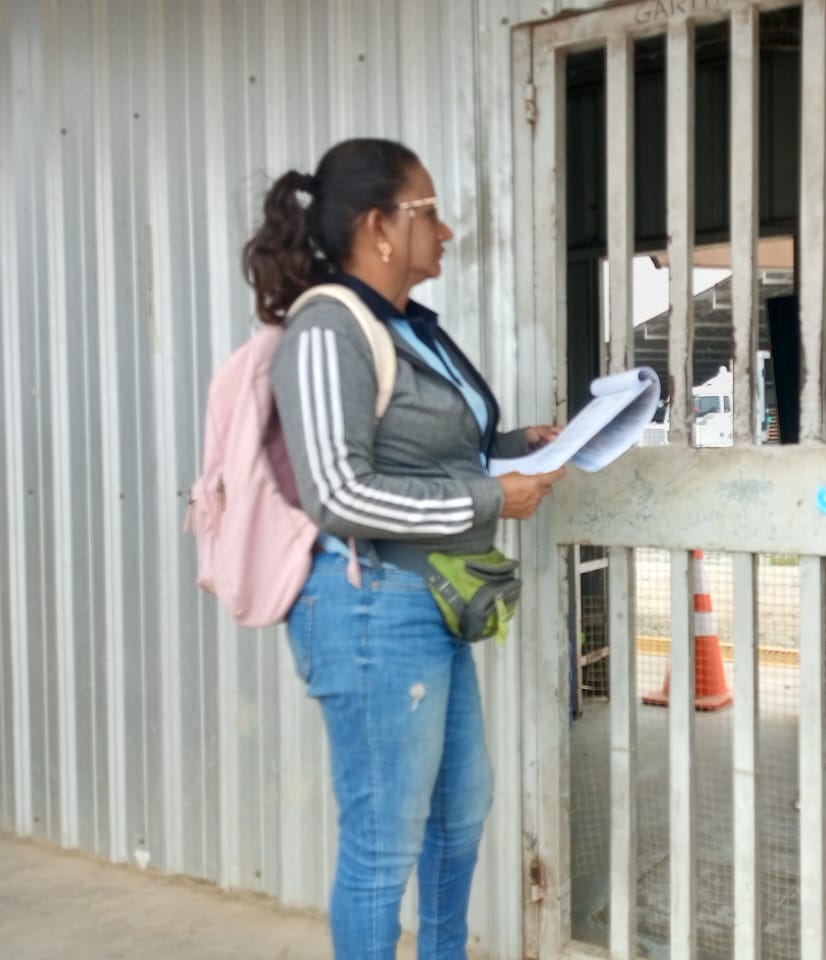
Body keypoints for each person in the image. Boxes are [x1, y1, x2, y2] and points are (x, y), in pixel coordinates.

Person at [242, 137, 564, 959]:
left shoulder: (406, 328)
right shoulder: (327, 328)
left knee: (459, 816)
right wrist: (492, 497)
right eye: (429, 212)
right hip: (369, 608)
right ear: (378, 227)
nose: (446, 230)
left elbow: (431, 452)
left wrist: (519, 448)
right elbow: (338, 494)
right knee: (384, 846)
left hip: (430, 602)